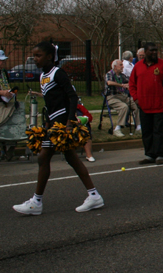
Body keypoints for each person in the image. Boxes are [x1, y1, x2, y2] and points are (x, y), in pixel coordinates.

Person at [13, 42, 104, 215]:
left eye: (38, 55)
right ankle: (94, 195)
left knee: (44, 157)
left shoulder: (58, 73)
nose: (35, 59)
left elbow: (72, 97)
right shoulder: (42, 76)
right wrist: (47, 122)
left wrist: (69, 121)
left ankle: (36, 202)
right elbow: (50, 102)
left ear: (49, 57)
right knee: (71, 159)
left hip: (62, 123)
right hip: (53, 122)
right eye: (34, 56)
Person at [129, 42, 163, 165]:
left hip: (159, 104)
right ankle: (149, 154)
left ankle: (160, 154)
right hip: (144, 105)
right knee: (147, 132)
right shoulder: (138, 66)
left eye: (155, 50)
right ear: (145, 52)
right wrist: (136, 98)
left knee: (159, 131)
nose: (154, 52)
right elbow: (132, 84)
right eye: (151, 51)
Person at [105, 59, 140, 137]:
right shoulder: (109, 74)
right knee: (124, 107)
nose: (122, 66)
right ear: (115, 66)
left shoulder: (122, 75)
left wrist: (129, 85)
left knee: (136, 104)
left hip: (123, 96)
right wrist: (122, 85)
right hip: (112, 97)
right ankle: (117, 129)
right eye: (120, 65)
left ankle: (138, 126)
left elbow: (130, 82)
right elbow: (109, 82)